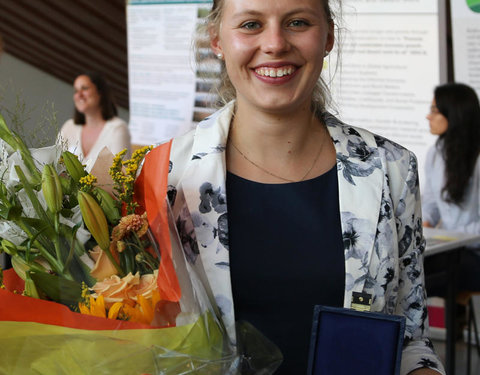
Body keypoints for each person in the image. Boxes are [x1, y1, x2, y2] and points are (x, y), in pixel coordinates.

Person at [147, 0, 445, 373]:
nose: (275, 43)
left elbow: (411, 340)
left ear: (329, 36)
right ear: (217, 40)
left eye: (298, 22)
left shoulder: (391, 170)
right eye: (251, 25)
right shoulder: (164, 177)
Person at [423, 83, 480, 294]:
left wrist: (451, 235)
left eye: (434, 111)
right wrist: (425, 222)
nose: (428, 117)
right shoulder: (436, 153)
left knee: (421, 280)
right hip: (451, 249)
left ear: (454, 114)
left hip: (473, 253)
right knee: (407, 270)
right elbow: (429, 201)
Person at [57, 72, 131, 167]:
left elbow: (119, 172)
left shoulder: (117, 128)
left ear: (100, 93)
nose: (79, 95)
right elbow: (56, 164)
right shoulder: (69, 126)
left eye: (85, 88)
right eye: (76, 91)